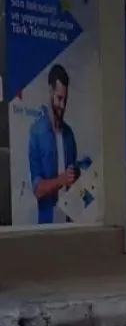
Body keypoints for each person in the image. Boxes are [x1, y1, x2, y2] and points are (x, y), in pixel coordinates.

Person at [28, 64, 79, 225]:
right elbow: (38, 190)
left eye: (66, 99)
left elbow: (74, 183)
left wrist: (77, 174)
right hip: (48, 229)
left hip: (71, 223)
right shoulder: (36, 133)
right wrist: (61, 180)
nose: (63, 106)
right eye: (59, 98)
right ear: (50, 91)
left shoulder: (69, 134)